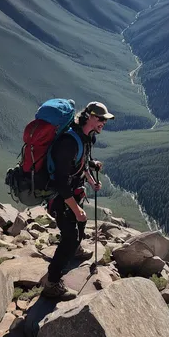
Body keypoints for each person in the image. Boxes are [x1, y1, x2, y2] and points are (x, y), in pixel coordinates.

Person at [42, 101, 114, 300]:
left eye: (104, 120)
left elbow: (80, 162)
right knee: (70, 237)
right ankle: (52, 283)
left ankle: (74, 251)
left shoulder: (85, 137)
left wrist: (91, 177)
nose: (103, 123)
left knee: (80, 225)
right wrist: (75, 209)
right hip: (61, 197)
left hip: (74, 192)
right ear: (89, 117)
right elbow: (60, 182)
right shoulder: (69, 142)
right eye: (100, 119)